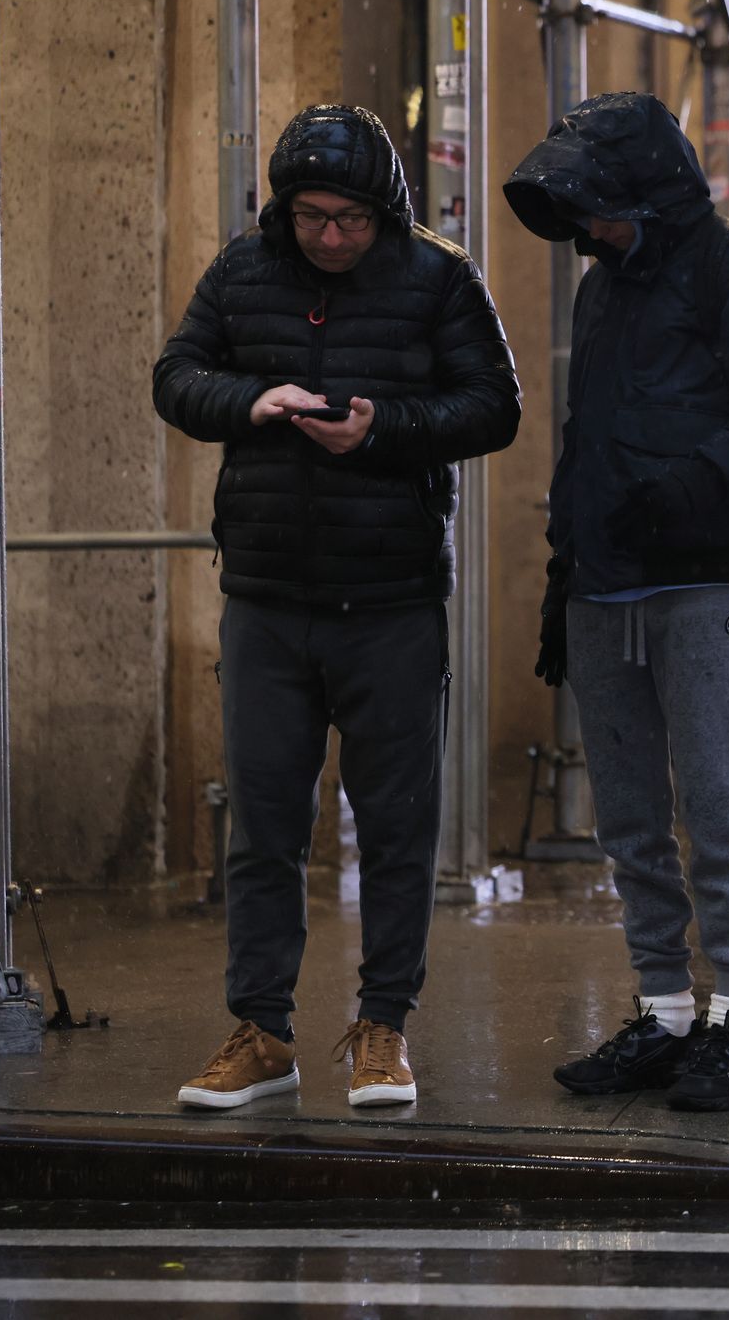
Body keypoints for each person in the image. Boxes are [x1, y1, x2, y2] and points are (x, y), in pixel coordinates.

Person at [154, 105, 521, 1110]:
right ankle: (261, 1031)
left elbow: (496, 404)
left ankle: (384, 1027)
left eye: (348, 220)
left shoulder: (440, 277)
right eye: (311, 216)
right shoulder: (242, 271)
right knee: (263, 822)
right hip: (267, 595)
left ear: (384, 212)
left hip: (393, 597)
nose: (328, 237)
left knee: (397, 826)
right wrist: (252, 402)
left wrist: (384, 429)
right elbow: (176, 377)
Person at [503, 92, 729, 1112]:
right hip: (603, 588)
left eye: (600, 208)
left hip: (696, 583)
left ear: (648, 190)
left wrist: (688, 490)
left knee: (717, 807)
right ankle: (665, 1008)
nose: (591, 231)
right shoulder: (604, 290)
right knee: (629, 817)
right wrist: (566, 570)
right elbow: (586, 436)